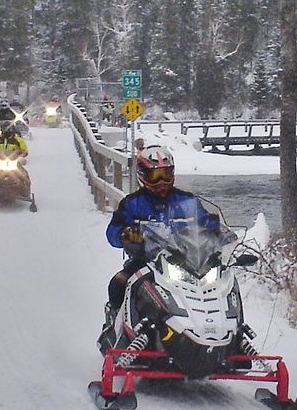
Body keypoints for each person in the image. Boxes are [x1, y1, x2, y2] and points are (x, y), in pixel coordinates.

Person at [96, 145, 260, 367]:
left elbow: (207, 222)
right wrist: (125, 234)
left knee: (226, 285)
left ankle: (234, 336)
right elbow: (113, 231)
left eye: (166, 174)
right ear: (143, 175)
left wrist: (220, 233)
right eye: (156, 176)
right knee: (119, 283)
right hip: (147, 260)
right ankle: (120, 331)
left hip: (190, 262)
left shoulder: (187, 201)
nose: (162, 181)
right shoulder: (133, 204)